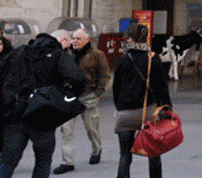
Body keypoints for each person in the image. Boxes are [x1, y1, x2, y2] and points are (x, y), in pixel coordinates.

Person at [0, 30, 86, 178]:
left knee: (7, 161)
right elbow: (78, 78)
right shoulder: (58, 55)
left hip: (15, 113)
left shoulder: (20, 51)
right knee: (43, 161)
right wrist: (65, 95)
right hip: (42, 114)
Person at [112, 23, 171, 178]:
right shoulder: (153, 58)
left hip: (125, 114)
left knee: (125, 156)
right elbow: (162, 87)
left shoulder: (123, 59)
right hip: (149, 112)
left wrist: (119, 106)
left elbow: (116, 88)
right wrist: (167, 108)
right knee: (154, 154)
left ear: (130, 39)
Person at [53, 29, 110, 174]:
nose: (75, 41)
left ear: (87, 40)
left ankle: (96, 150)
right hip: (69, 97)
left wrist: (97, 93)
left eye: (78, 38)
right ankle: (68, 162)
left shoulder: (97, 55)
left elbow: (105, 75)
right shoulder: (66, 54)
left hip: (88, 96)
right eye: (73, 38)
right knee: (66, 130)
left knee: (92, 129)